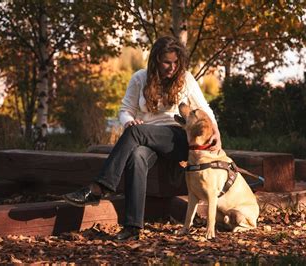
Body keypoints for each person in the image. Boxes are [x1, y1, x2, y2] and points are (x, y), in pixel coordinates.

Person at [63, 36, 222, 241]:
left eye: (176, 62)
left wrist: (216, 130)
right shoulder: (140, 78)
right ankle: (133, 227)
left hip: (176, 138)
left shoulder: (186, 79)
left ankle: (99, 188)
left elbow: (205, 108)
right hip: (146, 139)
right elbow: (125, 110)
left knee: (136, 133)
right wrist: (129, 121)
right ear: (156, 59)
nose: (172, 67)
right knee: (137, 156)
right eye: (167, 62)